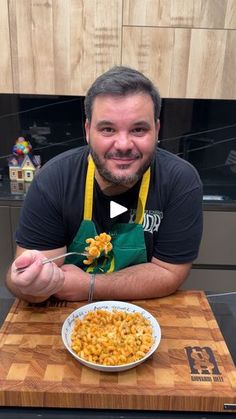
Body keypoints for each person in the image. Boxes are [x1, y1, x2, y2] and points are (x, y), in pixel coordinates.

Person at [6, 66, 203, 303]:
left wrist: (90, 285)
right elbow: (34, 282)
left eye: (138, 129)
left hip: (143, 323)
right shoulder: (53, 180)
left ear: (157, 129)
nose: (123, 144)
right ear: (88, 130)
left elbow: (169, 272)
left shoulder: (180, 182)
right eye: (108, 129)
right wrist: (29, 284)